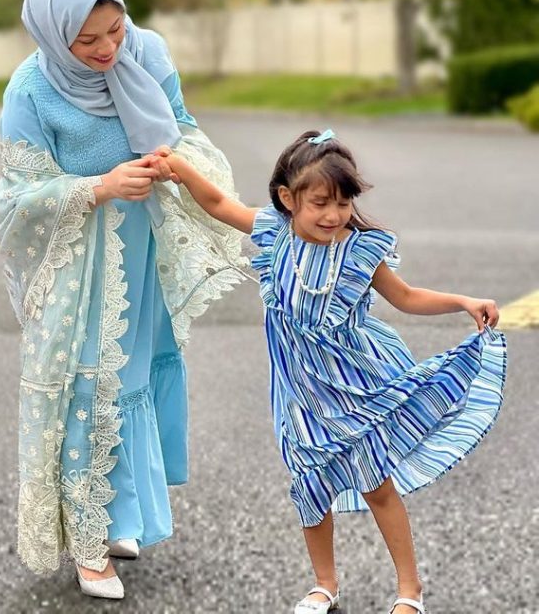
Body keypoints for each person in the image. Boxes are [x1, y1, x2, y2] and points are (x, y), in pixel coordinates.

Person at [152, 129, 507, 614]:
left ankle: (410, 591)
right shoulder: (272, 233)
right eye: (320, 202)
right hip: (299, 394)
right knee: (311, 487)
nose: (333, 215)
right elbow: (216, 202)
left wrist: (463, 301)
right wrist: (178, 167)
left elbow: (405, 297)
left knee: (377, 485)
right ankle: (324, 584)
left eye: (342, 203)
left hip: (355, 386)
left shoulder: (360, 251)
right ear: (287, 199)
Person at [0, 0, 247, 599]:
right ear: (52, 36)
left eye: (115, 28)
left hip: (144, 244)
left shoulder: (148, 52)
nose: (108, 49)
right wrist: (97, 188)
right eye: (88, 40)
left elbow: (183, 126)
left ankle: (120, 518)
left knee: (133, 376)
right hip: (82, 254)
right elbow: (16, 197)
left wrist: (172, 157)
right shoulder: (30, 90)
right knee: (87, 385)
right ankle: (87, 545)